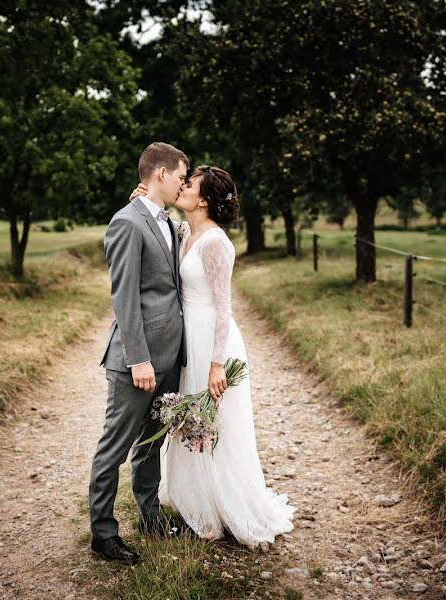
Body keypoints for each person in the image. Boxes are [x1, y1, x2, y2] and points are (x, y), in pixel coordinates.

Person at [129, 166, 295, 549]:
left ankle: (225, 506)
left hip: (212, 342)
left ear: (203, 199)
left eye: (188, 185)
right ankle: (198, 501)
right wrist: (143, 202)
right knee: (192, 422)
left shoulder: (217, 243)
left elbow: (224, 308)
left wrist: (217, 363)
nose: (182, 188)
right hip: (189, 340)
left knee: (216, 424)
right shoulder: (187, 231)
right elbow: (161, 228)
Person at [88, 142, 188, 565]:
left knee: (151, 443)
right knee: (116, 443)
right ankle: (103, 533)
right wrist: (138, 359)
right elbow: (124, 296)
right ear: (160, 175)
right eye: (181, 176)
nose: (184, 183)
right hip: (139, 360)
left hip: (169, 356)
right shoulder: (126, 223)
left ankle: (150, 518)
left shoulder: (167, 221)